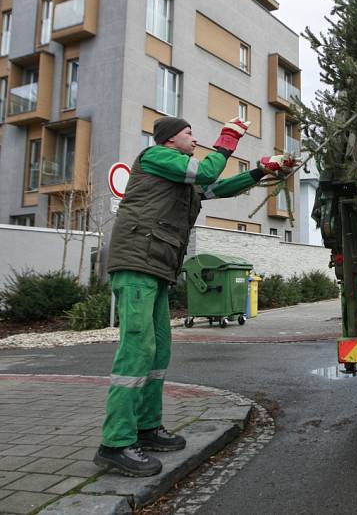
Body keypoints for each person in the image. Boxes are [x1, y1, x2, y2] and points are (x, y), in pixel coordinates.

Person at [94, 115, 268, 477]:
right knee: (137, 347)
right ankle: (115, 443)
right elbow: (207, 172)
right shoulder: (156, 156)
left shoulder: (178, 178)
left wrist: (260, 172)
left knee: (158, 349)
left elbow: (217, 188)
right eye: (189, 133)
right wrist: (228, 138)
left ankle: (147, 427)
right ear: (170, 140)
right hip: (137, 262)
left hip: (156, 265)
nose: (194, 138)